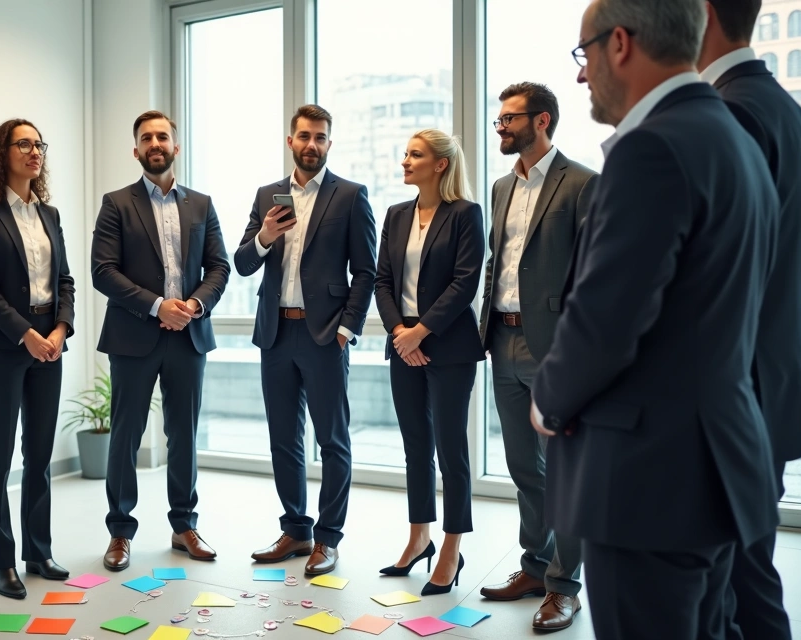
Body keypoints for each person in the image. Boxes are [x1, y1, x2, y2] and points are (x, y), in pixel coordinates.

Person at [531, 0, 780, 637]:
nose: (582, 75)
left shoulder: (652, 150)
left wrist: (548, 401)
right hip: (719, 464)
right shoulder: (735, 138)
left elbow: (605, 322)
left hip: (651, 483)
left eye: (583, 53)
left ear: (620, 44)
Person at [698, 1, 801, 637]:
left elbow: (709, 287)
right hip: (762, 390)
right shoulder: (786, 112)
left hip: (726, 403)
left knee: (736, 594)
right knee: (746, 582)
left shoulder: (729, 113)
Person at [476, 82, 597, 632]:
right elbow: (498, 263)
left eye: (509, 119)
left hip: (556, 347)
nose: (499, 127)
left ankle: (564, 586)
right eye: (498, 119)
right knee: (525, 467)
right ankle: (533, 566)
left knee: (566, 472)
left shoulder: (583, 184)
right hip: (502, 340)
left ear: (541, 120)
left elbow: (594, 275)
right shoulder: (502, 187)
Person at [236, 104, 377, 576]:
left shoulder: (351, 196)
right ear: (290, 141)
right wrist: (264, 236)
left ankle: (328, 539)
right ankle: (296, 529)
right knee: (283, 439)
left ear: (328, 144)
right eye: (304, 136)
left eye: (320, 137)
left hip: (324, 337)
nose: (311, 144)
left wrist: (345, 329)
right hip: (275, 332)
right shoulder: (266, 196)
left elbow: (367, 271)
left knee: (332, 440)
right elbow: (242, 261)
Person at [91, 110, 230, 571]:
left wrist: (192, 306)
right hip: (133, 336)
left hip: (189, 335)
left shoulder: (202, 205)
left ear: (176, 146)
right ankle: (119, 532)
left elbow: (219, 267)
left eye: (163, 136)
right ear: (136, 150)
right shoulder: (116, 203)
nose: (155, 143)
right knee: (125, 437)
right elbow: (103, 271)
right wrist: (157, 305)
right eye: (146, 137)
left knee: (184, 435)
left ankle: (183, 526)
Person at [0, 118, 75, 597]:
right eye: (24, 144)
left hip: (49, 342)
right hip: (7, 347)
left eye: (39, 145)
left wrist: (58, 329)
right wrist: (27, 334)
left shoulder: (49, 214)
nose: (35, 152)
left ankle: (38, 550)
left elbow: (65, 281)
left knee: (40, 455)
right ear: (2, 153)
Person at [373, 130, 483, 596]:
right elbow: (382, 281)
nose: (405, 161)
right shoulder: (397, 215)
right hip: (404, 342)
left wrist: (423, 331)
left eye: (414, 155)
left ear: (440, 165)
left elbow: (465, 282)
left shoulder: (465, 214)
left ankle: (452, 549)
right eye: (406, 153)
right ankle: (420, 537)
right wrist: (401, 332)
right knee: (416, 446)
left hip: (449, 342)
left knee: (451, 449)